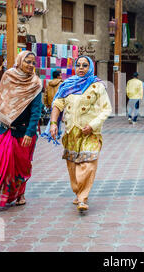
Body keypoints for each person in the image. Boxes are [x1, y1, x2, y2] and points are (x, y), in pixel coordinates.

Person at [0, 51, 42, 207]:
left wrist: (30, 133)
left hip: (23, 132)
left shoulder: (35, 83)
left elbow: (36, 111)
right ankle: (2, 194)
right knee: (1, 166)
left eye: (33, 63)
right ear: (19, 61)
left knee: (22, 167)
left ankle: (20, 194)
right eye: (28, 62)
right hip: (5, 131)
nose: (31, 65)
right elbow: (1, 100)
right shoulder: (8, 77)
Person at [46, 56, 112, 212]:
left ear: (90, 68)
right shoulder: (67, 85)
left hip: (90, 132)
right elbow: (57, 104)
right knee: (73, 165)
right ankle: (78, 191)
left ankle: (83, 197)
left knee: (88, 163)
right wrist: (54, 123)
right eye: (78, 65)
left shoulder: (97, 86)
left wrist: (93, 125)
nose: (81, 68)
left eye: (85, 65)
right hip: (71, 132)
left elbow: (106, 109)